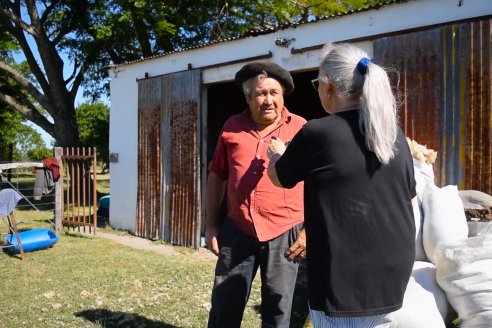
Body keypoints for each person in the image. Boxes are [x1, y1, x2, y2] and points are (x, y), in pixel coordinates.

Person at [267, 43, 416, 327]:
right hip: (392, 276)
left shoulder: (317, 132)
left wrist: (276, 155)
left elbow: (279, 177)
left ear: (326, 85)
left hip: (342, 281)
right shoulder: (394, 135)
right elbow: (407, 200)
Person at [206, 61, 307, 328]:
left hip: (286, 231)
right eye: (261, 94)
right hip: (238, 230)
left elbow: (318, 183)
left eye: (274, 93)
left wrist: (309, 231)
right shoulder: (231, 127)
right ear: (248, 97)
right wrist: (211, 225)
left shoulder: (300, 128)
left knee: (277, 311)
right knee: (224, 308)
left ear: (283, 96)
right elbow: (217, 174)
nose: (268, 100)